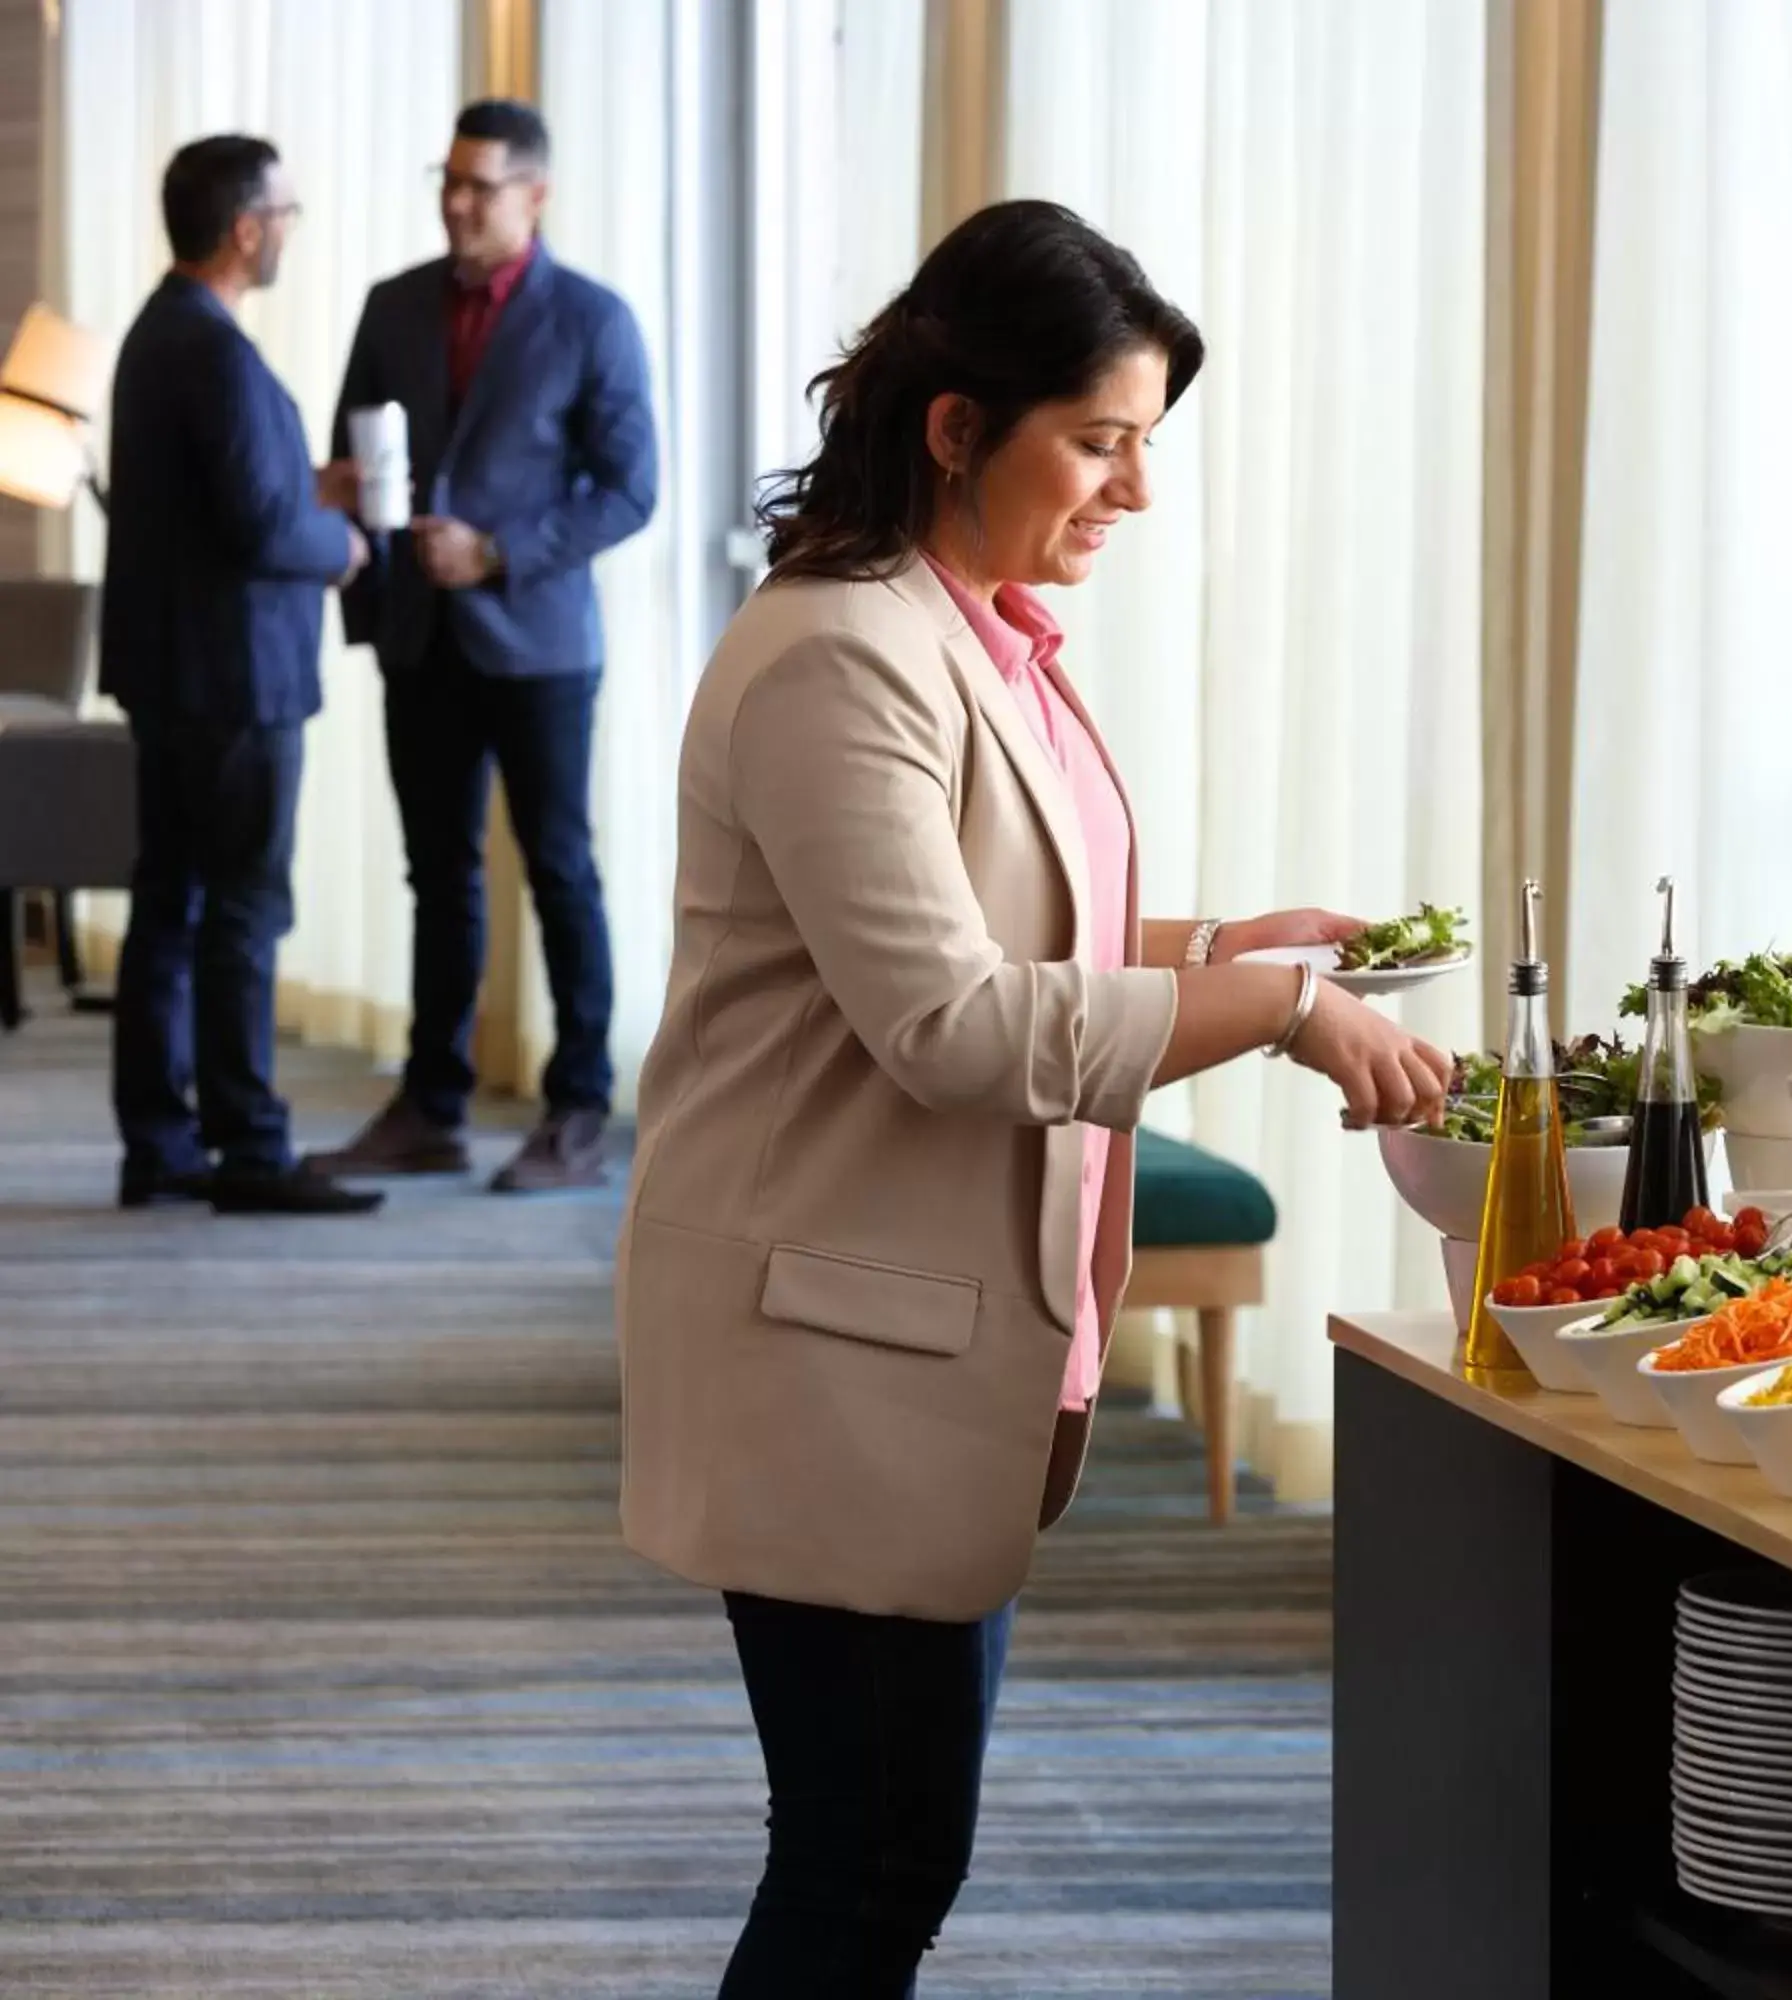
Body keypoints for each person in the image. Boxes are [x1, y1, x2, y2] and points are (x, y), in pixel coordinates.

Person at [616, 200, 1450, 1994]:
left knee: (882, 1855)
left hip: (938, 1327)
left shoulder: (970, 632)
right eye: (1102, 441)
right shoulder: (845, 651)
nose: (1134, 492)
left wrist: (1231, 934)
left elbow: (992, 912)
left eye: (1147, 446)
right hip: (832, 1339)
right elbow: (950, 1022)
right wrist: (1286, 1011)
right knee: (864, 1865)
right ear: (955, 425)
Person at [310, 98, 657, 1193]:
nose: (458, 203)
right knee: (438, 876)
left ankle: (575, 1112)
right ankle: (433, 1103)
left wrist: (500, 551)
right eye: (448, 182)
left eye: (481, 186)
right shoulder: (393, 305)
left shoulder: (594, 319)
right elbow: (352, 459)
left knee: (561, 870)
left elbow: (630, 490)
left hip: (541, 641)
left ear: (536, 195)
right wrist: (366, 566)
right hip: (421, 635)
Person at [100, 136, 380, 1217]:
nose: (290, 234)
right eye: (288, 215)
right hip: (234, 681)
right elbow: (265, 528)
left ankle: (162, 1146)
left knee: (169, 906)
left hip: (175, 673)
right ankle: (251, 1148)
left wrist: (313, 483)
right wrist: (340, 541)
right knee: (242, 910)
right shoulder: (214, 349)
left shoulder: (159, 332)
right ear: (246, 229)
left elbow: (210, 500)